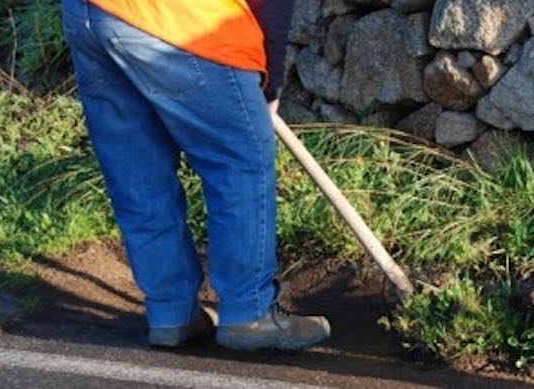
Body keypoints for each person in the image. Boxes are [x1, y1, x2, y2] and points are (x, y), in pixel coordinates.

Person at [60, 0, 331, 351]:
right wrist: (271, 81)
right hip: (182, 20)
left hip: (90, 17)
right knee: (238, 160)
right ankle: (249, 313)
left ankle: (170, 313)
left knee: (138, 169)